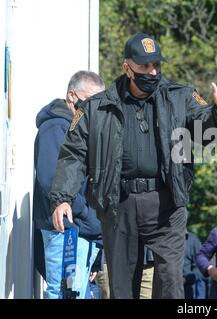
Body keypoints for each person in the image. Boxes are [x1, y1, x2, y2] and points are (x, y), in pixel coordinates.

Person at [49, 32, 217, 299]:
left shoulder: (179, 97)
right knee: (123, 288)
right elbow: (73, 154)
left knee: (171, 283)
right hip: (118, 204)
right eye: (145, 66)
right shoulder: (97, 107)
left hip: (167, 204)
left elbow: (209, 134)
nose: (152, 72)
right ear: (128, 68)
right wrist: (62, 197)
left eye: (157, 65)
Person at [33, 70, 105, 299]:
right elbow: (51, 178)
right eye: (91, 99)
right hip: (65, 228)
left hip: (82, 229)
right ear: (72, 95)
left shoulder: (81, 129)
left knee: (76, 291)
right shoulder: (56, 127)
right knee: (65, 291)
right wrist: (84, 211)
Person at [184, 231, 206, 299]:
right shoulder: (167, 238)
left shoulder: (192, 239)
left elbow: (199, 264)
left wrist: (186, 279)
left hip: (188, 286)